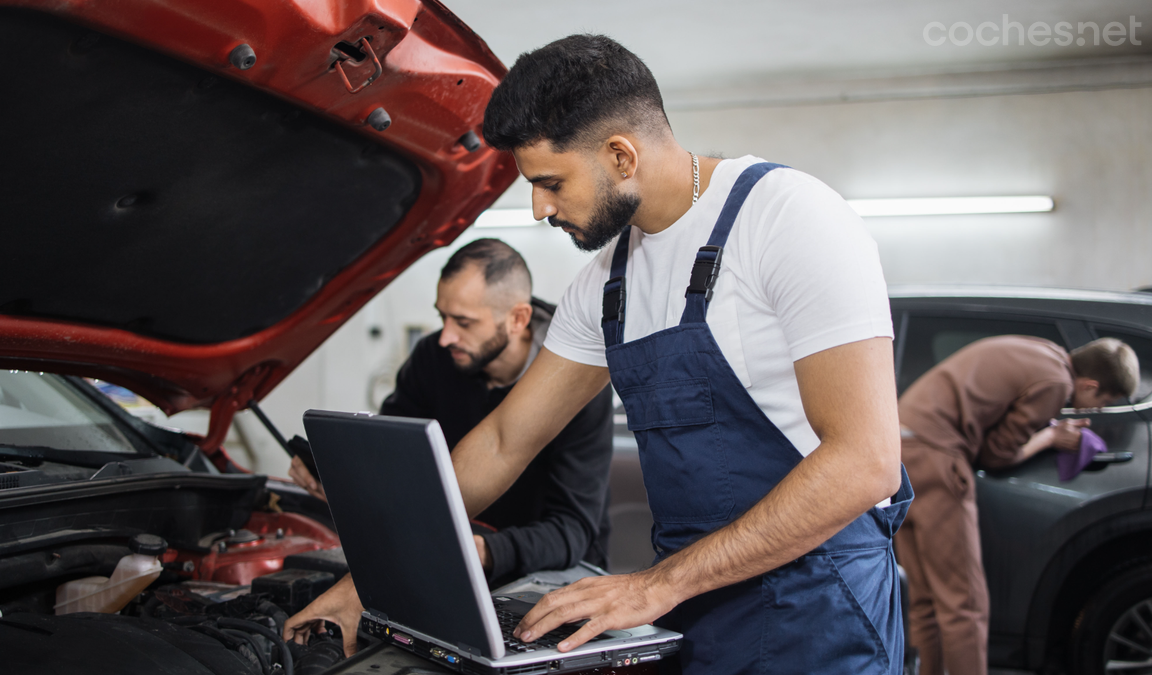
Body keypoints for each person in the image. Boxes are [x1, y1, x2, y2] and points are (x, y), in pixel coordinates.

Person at [287, 34, 910, 674]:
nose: (538, 209)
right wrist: (363, 585)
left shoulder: (788, 219)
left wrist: (655, 585)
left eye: (549, 182)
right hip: (690, 608)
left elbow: (864, 463)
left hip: (817, 608)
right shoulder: (607, 285)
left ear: (619, 154)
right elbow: (503, 441)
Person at [289, 238, 614, 588]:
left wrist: (487, 550)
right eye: (442, 317)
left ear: (518, 318)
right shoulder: (433, 358)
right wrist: (342, 477)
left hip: (550, 574)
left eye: (463, 322)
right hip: (448, 550)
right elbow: (394, 455)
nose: (445, 337)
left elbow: (572, 529)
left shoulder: (577, 380)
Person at [894, 335, 1139, 675]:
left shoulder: (1043, 351)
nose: (1091, 412)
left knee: (924, 602)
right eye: (1099, 402)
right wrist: (1050, 437)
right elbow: (998, 456)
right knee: (965, 604)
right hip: (937, 459)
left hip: (899, 456)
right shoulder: (1056, 382)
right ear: (1089, 383)